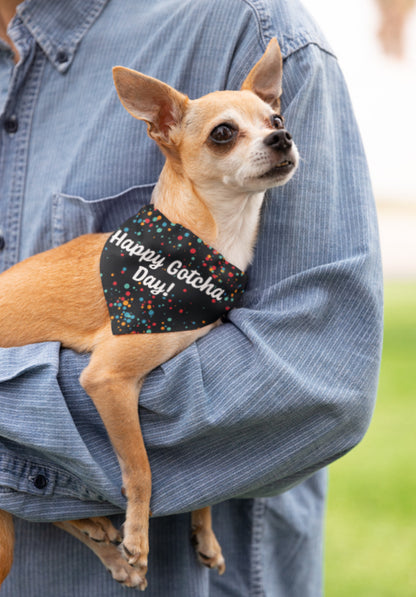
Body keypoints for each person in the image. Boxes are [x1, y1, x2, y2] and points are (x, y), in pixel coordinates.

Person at [0, 0, 383, 595]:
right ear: (162, 127)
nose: (275, 138)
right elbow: (113, 375)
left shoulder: (248, 24)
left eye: (272, 121)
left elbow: (314, 385)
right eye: (226, 135)